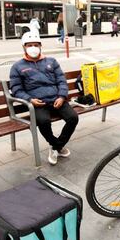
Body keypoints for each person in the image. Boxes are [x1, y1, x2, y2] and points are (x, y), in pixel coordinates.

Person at [9, 32, 79, 165]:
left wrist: (62, 96)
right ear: (24, 47)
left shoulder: (51, 61)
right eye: (29, 45)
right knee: (43, 121)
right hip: (38, 102)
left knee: (73, 118)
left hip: (56, 99)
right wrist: (30, 100)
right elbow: (16, 89)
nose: (33, 48)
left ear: (41, 46)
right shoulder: (17, 67)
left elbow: (61, 81)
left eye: (36, 45)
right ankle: (57, 145)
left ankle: (56, 147)